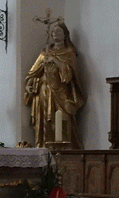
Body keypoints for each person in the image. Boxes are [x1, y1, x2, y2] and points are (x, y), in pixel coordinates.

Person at [24, 19, 85, 148]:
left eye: (59, 31)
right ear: (51, 36)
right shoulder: (44, 52)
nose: (56, 33)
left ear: (65, 35)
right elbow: (34, 72)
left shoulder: (69, 53)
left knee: (64, 120)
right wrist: (29, 84)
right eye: (53, 31)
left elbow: (69, 75)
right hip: (44, 91)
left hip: (62, 93)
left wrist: (55, 60)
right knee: (45, 120)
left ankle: (65, 151)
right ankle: (44, 147)